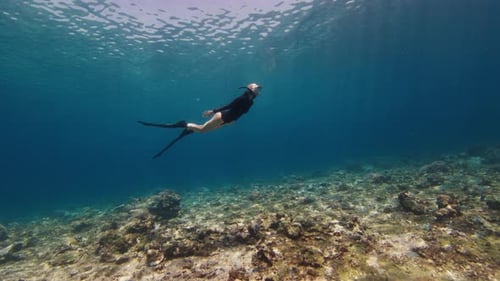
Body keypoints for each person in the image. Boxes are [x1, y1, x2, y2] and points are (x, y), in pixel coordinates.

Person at [138, 82, 262, 158]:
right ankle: (184, 125)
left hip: (226, 121)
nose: (259, 90)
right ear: (251, 90)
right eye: (257, 88)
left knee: (203, 130)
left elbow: (241, 113)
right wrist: (212, 111)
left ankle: (189, 129)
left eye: (259, 89)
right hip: (222, 117)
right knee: (202, 130)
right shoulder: (241, 99)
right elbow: (228, 106)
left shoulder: (251, 102)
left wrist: (233, 121)